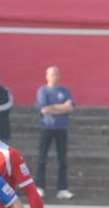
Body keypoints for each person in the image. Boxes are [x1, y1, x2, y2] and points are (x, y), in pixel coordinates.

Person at [35, 66, 75, 200]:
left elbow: (70, 108)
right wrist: (62, 107)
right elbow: (44, 109)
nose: (55, 76)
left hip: (61, 128)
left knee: (62, 159)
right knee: (42, 158)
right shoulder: (43, 91)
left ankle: (62, 188)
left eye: (57, 74)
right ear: (47, 76)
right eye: (52, 74)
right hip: (47, 127)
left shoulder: (65, 90)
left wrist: (54, 107)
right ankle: (39, 186)